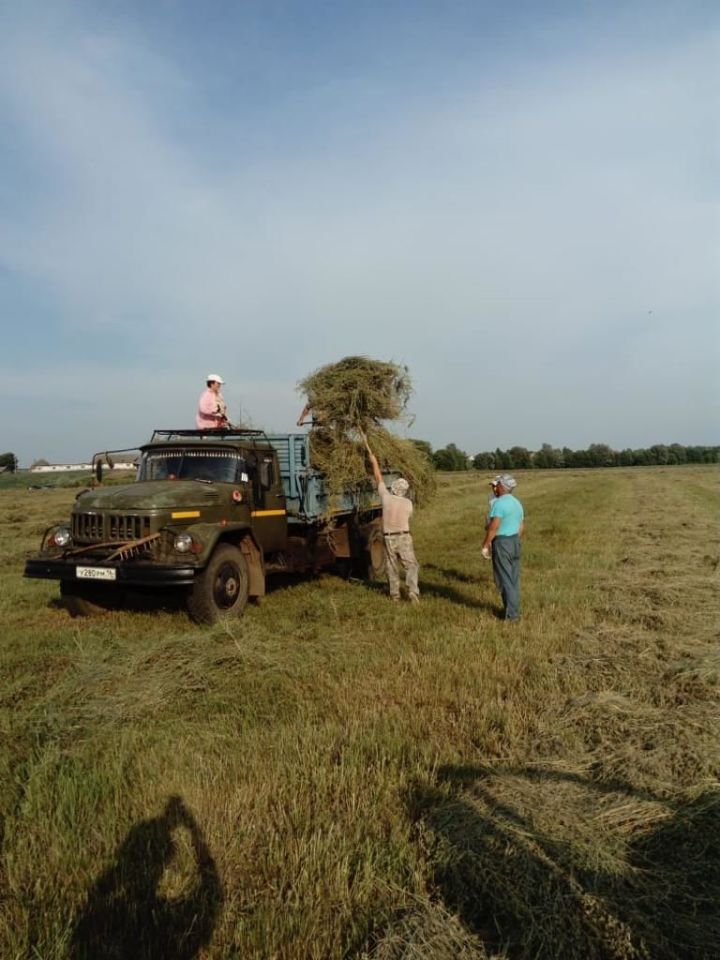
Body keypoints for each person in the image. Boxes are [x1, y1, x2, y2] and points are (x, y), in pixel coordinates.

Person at [365, 442, 420, 603]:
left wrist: (373, 461)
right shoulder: (408, 504)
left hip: (388, 537)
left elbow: (378, 478)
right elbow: (408, 516)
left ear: (393, 488)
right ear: (404, 491)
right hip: (403, 536)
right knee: (411, 565)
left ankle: (394, 595)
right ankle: (412, 591)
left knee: (391, 566)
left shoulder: (386, 498)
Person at [481, 474, 524, 621]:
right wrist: (515, 542)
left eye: (497, 485)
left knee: (504, 580)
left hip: (502, 543)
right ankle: (511, 610)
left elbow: (494, 527)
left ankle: (512, 616)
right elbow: (521, 526)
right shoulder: (517, 503)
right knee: (513, 580)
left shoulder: (499, 504)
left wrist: (486, 544)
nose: (495, 487)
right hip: (515, 541)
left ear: (502, 486)